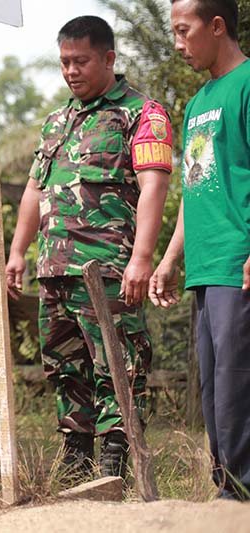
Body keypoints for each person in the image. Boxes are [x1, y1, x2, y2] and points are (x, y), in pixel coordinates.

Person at [5, 16, 173, 480]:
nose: (71, 71)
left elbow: (153, 185)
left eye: (81, 61)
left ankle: (117, 461)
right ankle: (76, 461)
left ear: (109, 59)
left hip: (108, 270)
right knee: (65, 368)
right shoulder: (57, 121)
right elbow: (34, 192)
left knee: (118, 364)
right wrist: (18, 251)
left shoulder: (141, 113)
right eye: (64, 62)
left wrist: (142, 258)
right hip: (55, 271)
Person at [151, 0, 250, 501]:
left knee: (238, 386)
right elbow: (195, 185)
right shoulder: (197, 104)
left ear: (216, 26)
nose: (177, 42)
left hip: (240, 263)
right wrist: (170, 259)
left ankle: (240, 496)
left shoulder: (249, 84)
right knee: (213, 392)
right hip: (204, 268)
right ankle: (227, 488)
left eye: (183, 30)